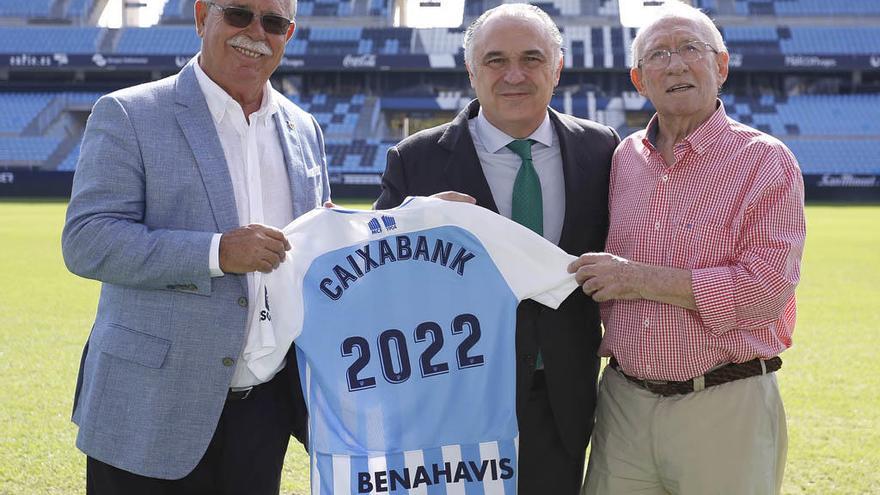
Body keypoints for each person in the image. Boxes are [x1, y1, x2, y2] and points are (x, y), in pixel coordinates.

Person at [61, 0, 329, 492]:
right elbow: (88, 240)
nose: (255, 32)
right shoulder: (129, 113)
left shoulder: (304, 128)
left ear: (287, 34)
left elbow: (321, 243)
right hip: (150, 404)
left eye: (272, 22)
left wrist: (420, 219)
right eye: (238, 15)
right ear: (202, 15)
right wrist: (216, 253)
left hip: (264, 408)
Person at [375, 4, 619, 493]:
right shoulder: (416, 160)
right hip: (452, 399)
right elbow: (376, 278)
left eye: (532, 58)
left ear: (557, 68)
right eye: (495, 60)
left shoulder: (602, 150)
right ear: (471, 70)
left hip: (560, 400)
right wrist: (407, 224)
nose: (514, 75)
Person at [569, 3, 806, 494]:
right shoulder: (623, 159)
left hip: (723, 403)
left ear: (720, 66)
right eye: (658, 55)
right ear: (638, 79)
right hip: (624, 406)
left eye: (690, 49)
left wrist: (637, 277)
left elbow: (765, 292)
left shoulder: (765, 161)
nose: (675, 64)